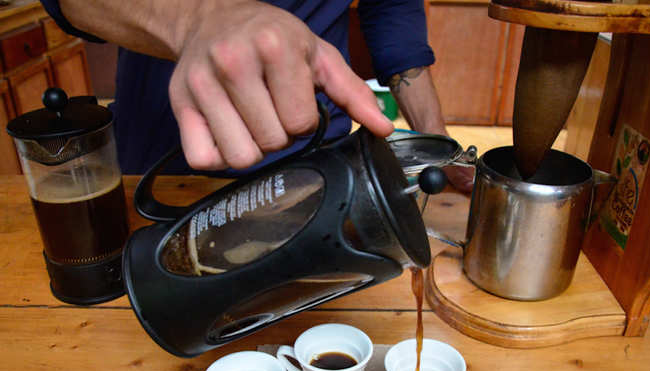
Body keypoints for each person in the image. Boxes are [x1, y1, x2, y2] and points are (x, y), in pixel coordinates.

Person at [39, 0, 473, 191]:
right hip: (163, 166)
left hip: (320, 168)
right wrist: (195, 20)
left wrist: (439, 146)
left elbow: (393, 14)